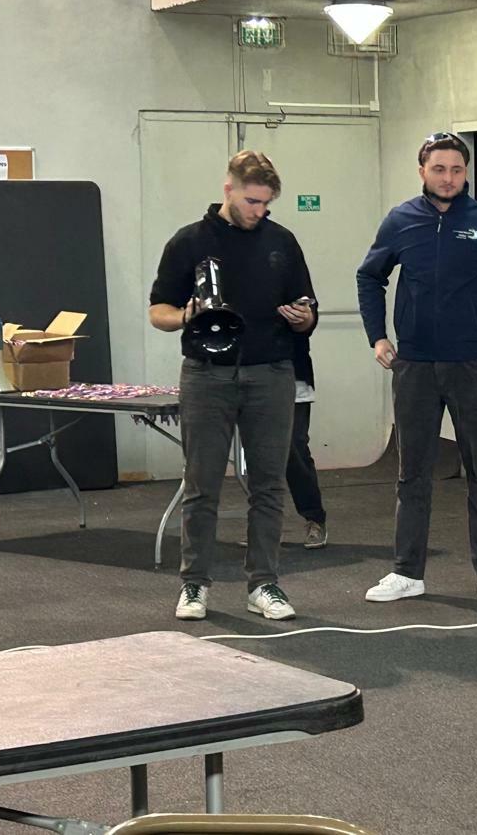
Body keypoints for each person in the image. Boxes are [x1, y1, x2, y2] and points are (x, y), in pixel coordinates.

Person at [355, 132, 477, 604]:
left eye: (456, 170)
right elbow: (369, 276)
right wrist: (378, 336)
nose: (448, 178)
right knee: (412, 473)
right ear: (422, 171)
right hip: (414, 365)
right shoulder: (400, 220)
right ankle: (407, 572)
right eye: (439, 169)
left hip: (471, 365)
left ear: (466, 173)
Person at [149, 150, 315, 622]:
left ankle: (264, 583)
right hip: (207, 374)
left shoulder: (282, 242)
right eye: (251, 201)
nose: (258, 211)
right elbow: (158, 311)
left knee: (268, 485)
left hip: (271, 373)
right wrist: (185, 315)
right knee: (202, 484)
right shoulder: (189, 241)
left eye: (265, 203)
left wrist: (303, 317)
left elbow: (308, 310)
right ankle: (194, 584)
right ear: (229, 189)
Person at [286, 331, 327, 549]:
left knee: (295, 449)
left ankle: (314, 517)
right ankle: (261, 526)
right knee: (258, 454)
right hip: (248, 375)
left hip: (294, 375)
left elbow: (308, 322)